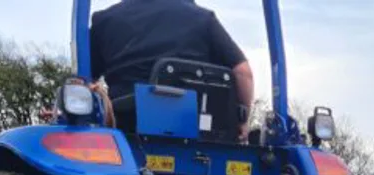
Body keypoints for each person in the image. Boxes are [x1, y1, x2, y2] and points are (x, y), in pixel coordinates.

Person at [89, 0, 255, 139]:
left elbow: (86, 81)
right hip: (202, 134)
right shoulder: (203, 18)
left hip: (126, 129)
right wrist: (241, 120)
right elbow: (243, 72)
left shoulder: (105, 20)